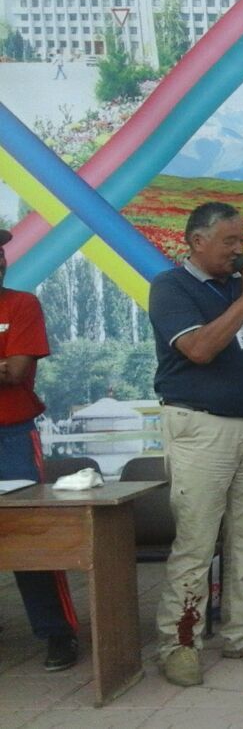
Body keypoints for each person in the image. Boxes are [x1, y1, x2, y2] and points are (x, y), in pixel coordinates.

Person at [148, 202, 243, 687]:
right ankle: (180, 643)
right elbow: (199, 348)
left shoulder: (237, 288)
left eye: (242, 240)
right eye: (229, 241)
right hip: (201, 428)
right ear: (197, 241)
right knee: (196, 542)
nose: (240, 250)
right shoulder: (171, 287)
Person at [0, 228, 79, 672]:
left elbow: (15, 372)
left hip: (11, 433)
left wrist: (6, 366)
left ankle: (56, 632)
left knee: (32, 536)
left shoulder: (20, 304)